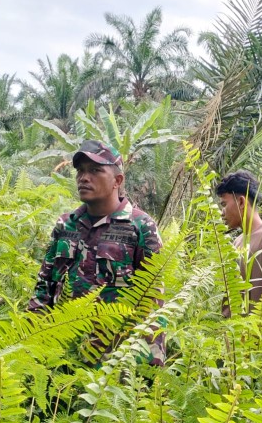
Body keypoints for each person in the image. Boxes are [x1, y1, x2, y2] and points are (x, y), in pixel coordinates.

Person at [28, 139, 165, 365]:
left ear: (117, 181)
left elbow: (152, 297)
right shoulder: (66, 225)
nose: (84, 177)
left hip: (120, 359)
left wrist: (147, 363)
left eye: (95, 170)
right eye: (80, 171)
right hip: (65, 354)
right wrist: (30, 340)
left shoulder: (140, 226)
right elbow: (45, 286)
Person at [216, 170, 262, 316]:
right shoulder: (237, 242)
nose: (221, 212)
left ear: (241, 202)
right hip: (233, 336)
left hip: (256, 336)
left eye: (224, 204)